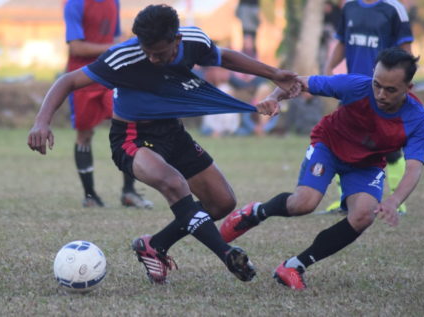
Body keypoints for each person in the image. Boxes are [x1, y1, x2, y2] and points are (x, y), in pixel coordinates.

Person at [28, 4, 298, 284]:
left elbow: (224, 57)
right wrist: (41, 121)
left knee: (221, 202)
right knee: (174, 183)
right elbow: (69, 80)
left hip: (172, 131)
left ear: (177, 40)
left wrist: (273, 74)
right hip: (131, 136)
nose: (153, 59)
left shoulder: (194, 41)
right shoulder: (123, 56)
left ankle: (154, 245)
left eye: (160, 52)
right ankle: (226, 253)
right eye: (148, 52)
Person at [220, 48, 424, 290]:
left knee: (364, 214)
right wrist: (274, 97)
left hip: (367, 163)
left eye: (391, 89)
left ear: (409, 88)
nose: (381, 94)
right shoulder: (355, 86)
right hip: (329, 146)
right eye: (377, 84)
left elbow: (414, 167)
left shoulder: (418, 119)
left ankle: (293, 266)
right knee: (304, 204)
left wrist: (393, 200)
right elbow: (297, 82)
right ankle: (255, 213)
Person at [323, 0, 414, 214]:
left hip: (384, 91)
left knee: (390, 148)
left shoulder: (394, 9)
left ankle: (396, 202)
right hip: (353, 90)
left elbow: (407, 52)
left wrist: (403, 88)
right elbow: (342, 43)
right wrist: (328, 69)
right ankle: (346, 200)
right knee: (341, 144)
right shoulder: (349, 7)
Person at [64, 0, 153, 208]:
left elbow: (115, 36)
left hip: (111, 75)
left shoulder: (114, 2)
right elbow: (76, 46)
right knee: (84, 135)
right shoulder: (75, 4)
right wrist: (116, 47)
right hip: (82, 78)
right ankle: (90, 195)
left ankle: (129, 192)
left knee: (130, 126)